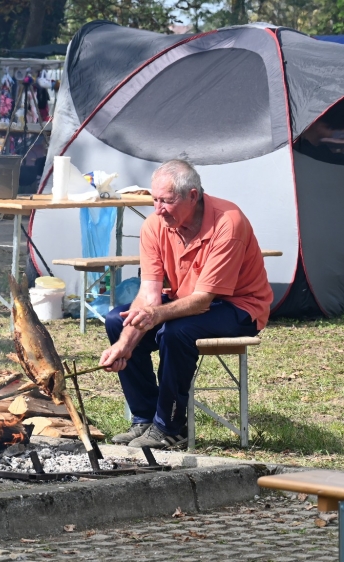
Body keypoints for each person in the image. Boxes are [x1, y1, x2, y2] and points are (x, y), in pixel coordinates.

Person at [99, 160, 273, 450]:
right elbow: (149, 294)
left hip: (240, 307)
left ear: (193, 196)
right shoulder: (154, 225)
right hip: (186, 300)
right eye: (154, 200)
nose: (158, 209)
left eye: (166, 201)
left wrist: (155, 315)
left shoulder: (228, 222)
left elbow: (203, 300)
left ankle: (171, 427)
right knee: (119, 321)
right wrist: (124, 344)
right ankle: (145, 418)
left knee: (176, 332)